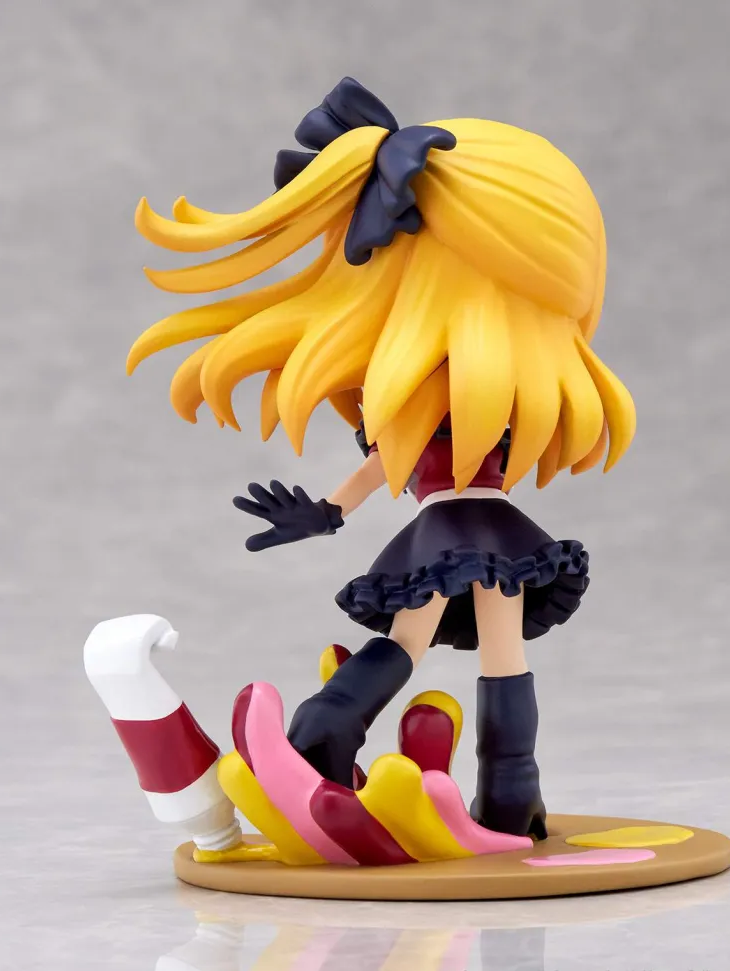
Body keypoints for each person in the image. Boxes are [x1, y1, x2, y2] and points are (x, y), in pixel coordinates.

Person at [128, 78, 636, 839]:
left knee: (459, 647)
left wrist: (329, 511)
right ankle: (343, 738)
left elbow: (388, 462)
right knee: (455, 646)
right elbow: (385, 462)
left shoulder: (476, 389)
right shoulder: (422, 396)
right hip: (475, 529)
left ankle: (485, 783)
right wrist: (325, 510)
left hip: (468, 527)